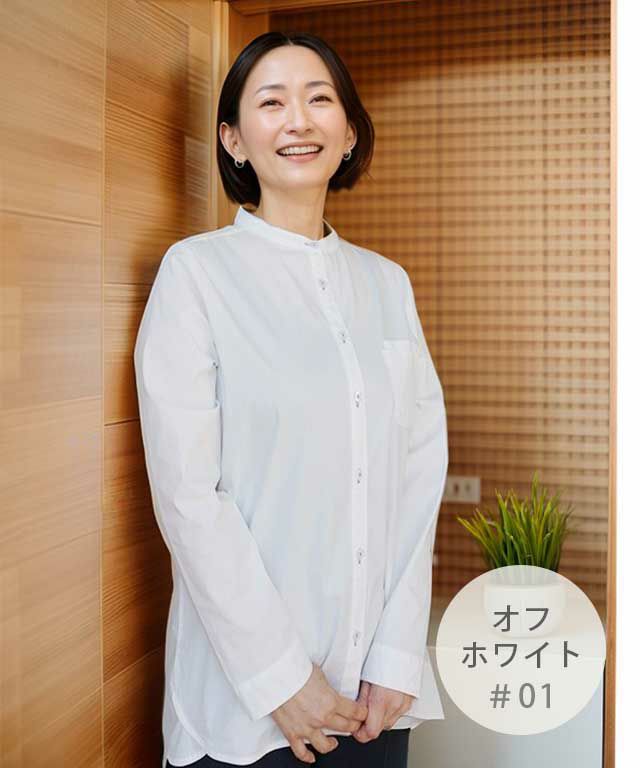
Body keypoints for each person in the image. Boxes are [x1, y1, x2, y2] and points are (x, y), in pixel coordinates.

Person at [133, 31, 448, 768]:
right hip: (245, 711)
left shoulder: (387, 284)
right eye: (271, 103)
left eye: (320, 99)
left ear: (349, 132)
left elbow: (417, 474)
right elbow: (188, 497)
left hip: (376, 700)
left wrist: (397, 655)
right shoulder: (196, 274)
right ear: (234, 139)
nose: (299, 120)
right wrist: (282, 679)